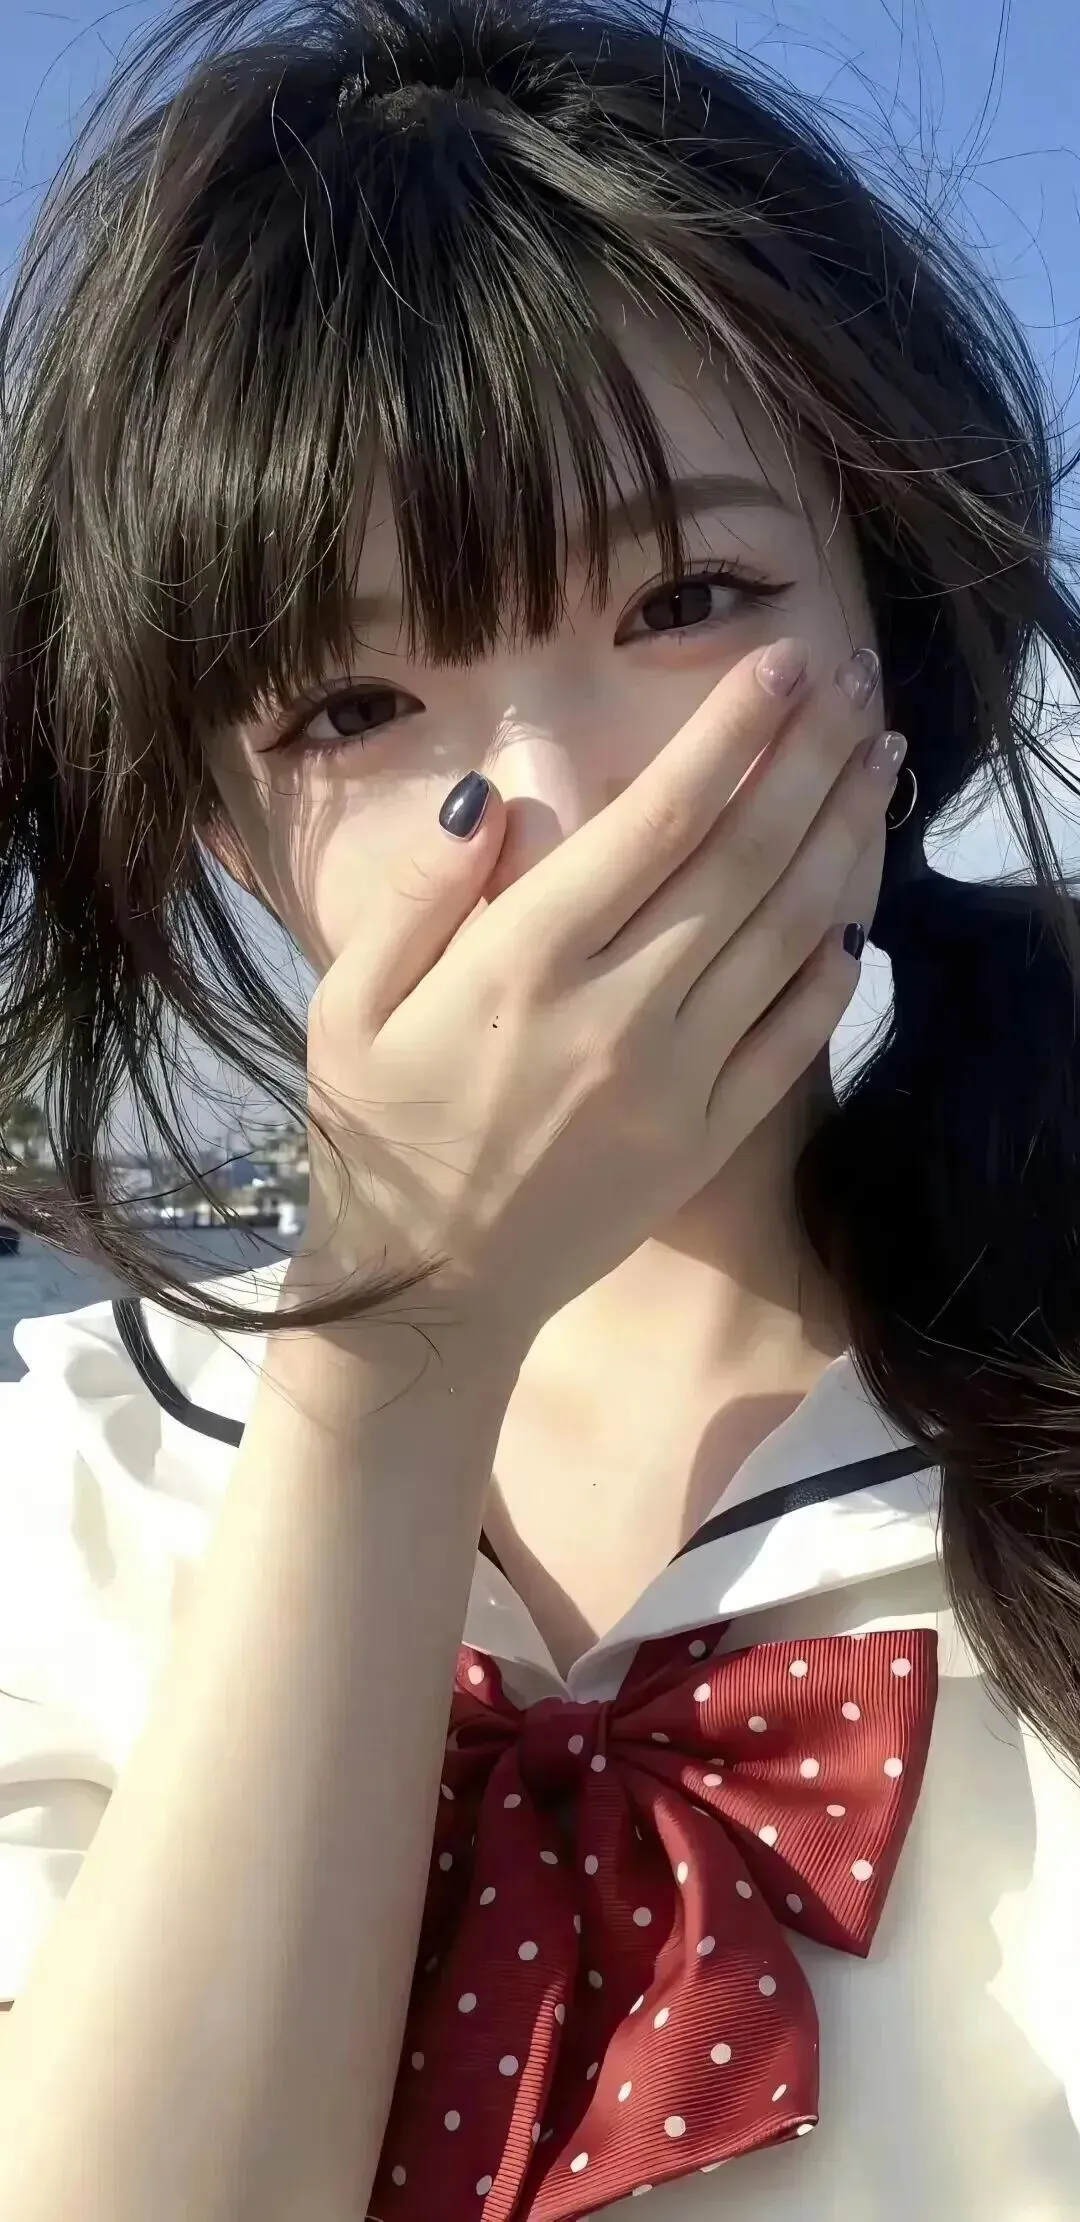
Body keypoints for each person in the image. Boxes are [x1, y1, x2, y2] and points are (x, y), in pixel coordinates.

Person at [0, 0, 1077, 2213]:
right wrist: (395, 1356)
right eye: (354, 703)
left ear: (892, 632)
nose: (566, 806)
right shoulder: (77, 1496)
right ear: (222, 828)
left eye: (690, 596)